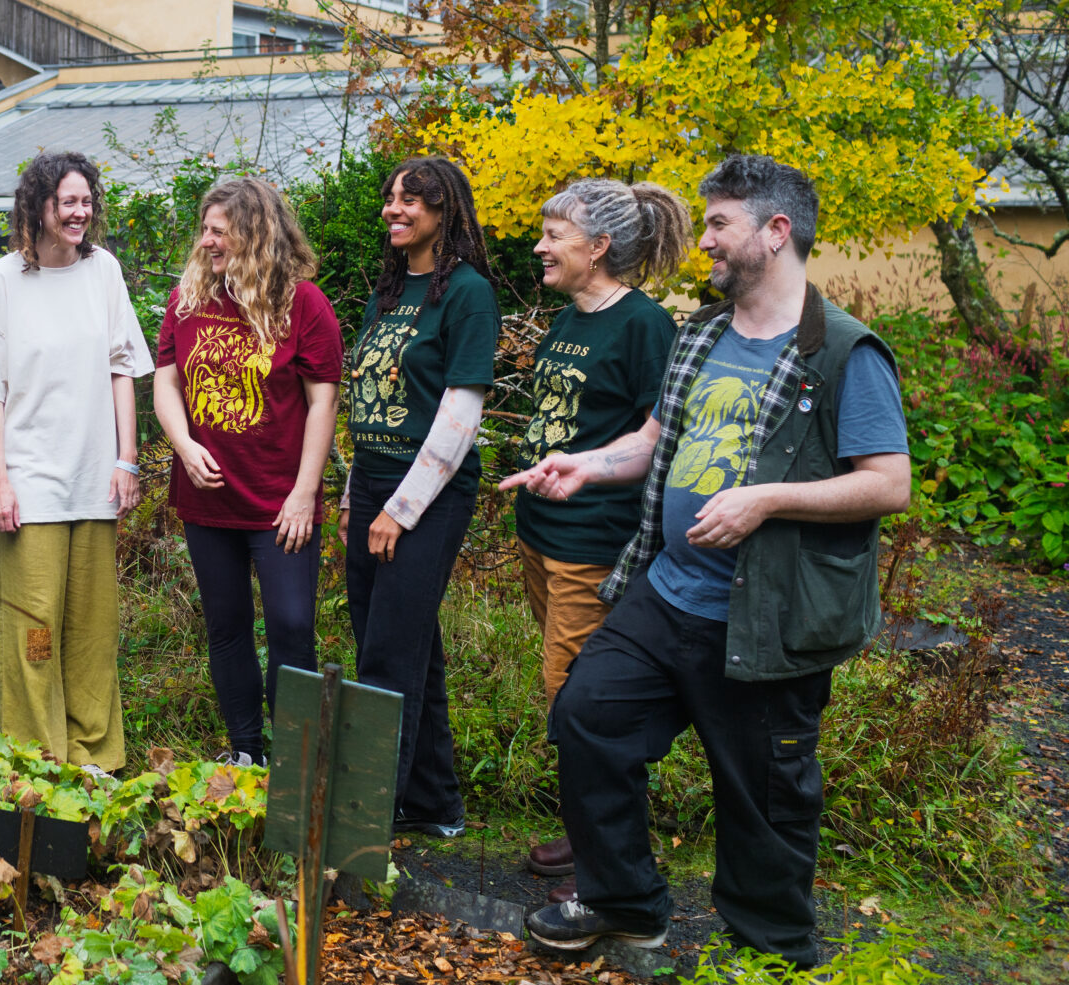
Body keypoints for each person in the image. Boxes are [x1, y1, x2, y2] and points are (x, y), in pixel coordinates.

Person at [502, 156, 910, 967]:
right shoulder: (701, 333)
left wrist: (767, 500)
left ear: (776, 231)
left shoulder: (842, 353)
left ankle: (768, 954)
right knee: (588, 715)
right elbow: (654, 441)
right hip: (668, 590)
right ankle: (625, 903)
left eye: (720, 224)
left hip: (765, 619)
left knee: (763, 799)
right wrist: (590, 463)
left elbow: (887, 484)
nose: (705, 242)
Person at [510, 179, 689, 902]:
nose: (540, 246)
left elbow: (659, 436)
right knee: (568, 694)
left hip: (594, 541)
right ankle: (586, 829)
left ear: (599, 246)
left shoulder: (644, 325)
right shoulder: (568, 318)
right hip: (540, 533)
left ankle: (603, 858)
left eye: (554, 235)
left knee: (581, 698)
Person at [0, 152, 153, 775]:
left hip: (96, 479)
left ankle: (94, 756)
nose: (80, 211)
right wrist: (0, 480)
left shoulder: (105, 273)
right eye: (66, 201)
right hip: (32, 485)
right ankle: (37, 756)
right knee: (34, 631)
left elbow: (123, 369)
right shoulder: (3, 281)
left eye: (86, 200)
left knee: (92, 629)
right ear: (37, 206)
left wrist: (127, 461)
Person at [153, 176, 342, 768]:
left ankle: (296, 760)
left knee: (291, 624)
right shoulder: (189, 299)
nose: (206, 241)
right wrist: (183, 444)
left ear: (255, 234)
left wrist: (304, 494)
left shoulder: (303, 303)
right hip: (208, 499)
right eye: (204, 230)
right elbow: (165, 380)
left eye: (219, 231)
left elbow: (322, 402)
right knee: (227, 627)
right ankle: (246, 752)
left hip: (278, 500)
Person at [343, 157, 500, 838]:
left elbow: (461, 410)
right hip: (373, 484)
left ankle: (364, 816)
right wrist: (356, 491)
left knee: (385, 654)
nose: (393, 208)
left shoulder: (466, 293)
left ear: (445, 211)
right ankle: (434, 800)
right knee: (406, 645)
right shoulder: (391, 290)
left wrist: (400, 509)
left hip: (426, 493)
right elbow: (370, 400)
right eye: (389, 197)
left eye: (412, 199)